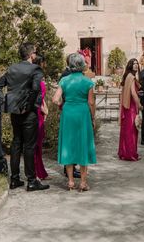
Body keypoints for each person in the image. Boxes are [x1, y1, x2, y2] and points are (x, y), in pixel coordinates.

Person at [0, 42, 49, 191]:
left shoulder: (12, 69)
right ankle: (31, 181)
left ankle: (14, 179)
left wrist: (4, 102)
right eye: (35, 53)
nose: (35, 55)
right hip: (28, 113)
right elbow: (36, 89)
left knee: (16, 144)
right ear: (31, 55)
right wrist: (30, 106)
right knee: (29, 146)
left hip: (15, 112)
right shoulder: (36, 69)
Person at [53, 53, 96, 192]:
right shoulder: (88, 81)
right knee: (83, 144)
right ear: (82, 65)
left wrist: (62, 102)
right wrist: (93, 118)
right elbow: (91, 102)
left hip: (68, 113)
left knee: (68, 144)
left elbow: (55, 99)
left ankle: (70, 181)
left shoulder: (64, 80)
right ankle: (83, 183)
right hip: (82, 113)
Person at [118, 58, 141, 161]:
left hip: (126, 107)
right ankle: (130, 154)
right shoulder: (131, 77)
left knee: (126, 130)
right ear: (130, 66)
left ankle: (124, 152)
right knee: (131, 131)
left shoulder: (128, 76)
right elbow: (132, 93)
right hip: (131, 107)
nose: (136, 65)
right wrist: (139, 104)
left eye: (137, 64)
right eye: (134, 64)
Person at [33, 54, 49, 180]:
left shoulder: (39, 78)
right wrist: (42, 107)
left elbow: (41, 97)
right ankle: (35, 173)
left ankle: (41, 171)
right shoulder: (35, 79)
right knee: (35, 144)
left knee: (39, 144)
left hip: (40, 112)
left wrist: (45, 106)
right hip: (36, 113)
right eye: (44, 63)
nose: (45, 65)